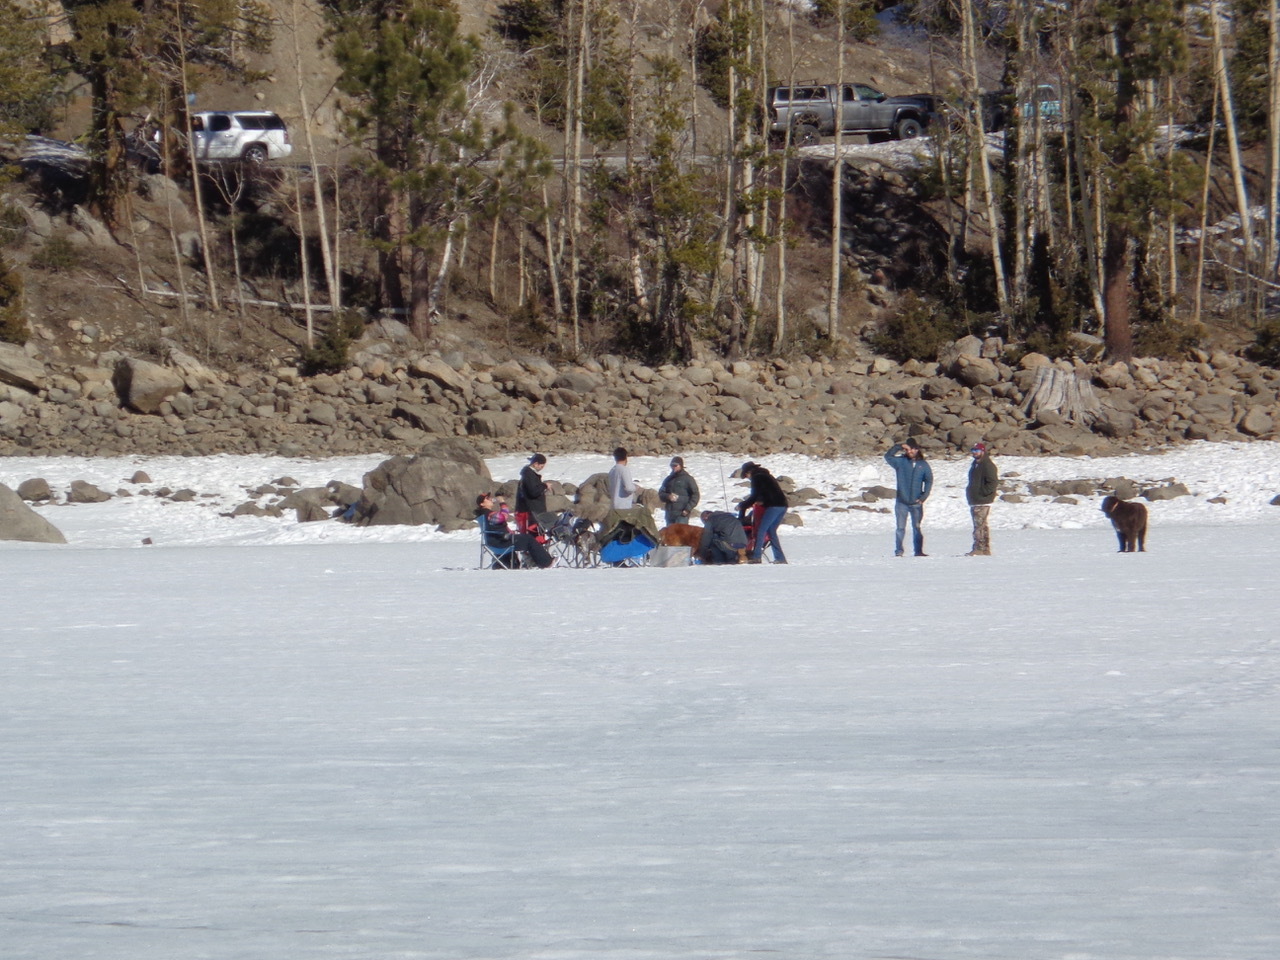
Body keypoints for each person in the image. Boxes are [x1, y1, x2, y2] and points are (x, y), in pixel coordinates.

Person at [476, 493, 553, 568]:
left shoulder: (483, 514)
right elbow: (503, 516)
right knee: (528, 539)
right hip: (501, 542)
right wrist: (502, 503)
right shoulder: (488, 514)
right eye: (487, 499)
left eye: (490, 498)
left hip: (495, 541)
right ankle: (546, 563)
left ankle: (501, 565)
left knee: (523, 539)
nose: (490, 499)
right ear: (482, 504)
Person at [884, 439, 933, 557]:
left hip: (916, 503)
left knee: (916, 527)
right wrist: (898, 446)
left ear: (917, 449)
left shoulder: (923, 465)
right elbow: (887, 456)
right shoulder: (900, 462)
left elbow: (929, 480)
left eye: (911, 449)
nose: (909, 451)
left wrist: (923, 497)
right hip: (902, 502)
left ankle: (918, 551)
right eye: (907, 449)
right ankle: (899, 551)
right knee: (900, 528)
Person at [737, 461, 788, 564]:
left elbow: (754, 495)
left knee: (761, 530)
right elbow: (765, 492)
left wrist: (743, 505)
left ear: (749, 472)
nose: (748, 477)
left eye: (746, 475)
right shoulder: (766, 475)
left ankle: (756, 556)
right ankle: (780, 558)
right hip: (783, 505)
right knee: (771, 531)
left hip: (773, 506)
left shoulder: (757, 477)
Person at [965, 441, 999, 556]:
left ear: (983, 451)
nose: (975, 453)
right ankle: (984, 548)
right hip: (975, 500)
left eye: (977, 450)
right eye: (973, 451)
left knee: (979, 525)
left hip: (982, 500)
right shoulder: (975, 464)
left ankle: (979, 548)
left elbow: (993, 482)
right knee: (981, 525)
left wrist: (983, 493)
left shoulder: (987, 465)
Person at [658, 456, 700, 527]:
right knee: (670, 537)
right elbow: (661, 493)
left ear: (681, 466)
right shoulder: (668, 479)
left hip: (682, 515)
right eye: (672, 465)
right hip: (670, 515)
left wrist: (687, 509)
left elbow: (695, 495)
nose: (673, 467)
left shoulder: (688, 479)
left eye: (675, 465)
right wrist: (668, 496)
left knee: (681, 536)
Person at [515, 453, 549, 535]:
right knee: (534, 535)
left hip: (533, 510)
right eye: (541, 466)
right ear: (535, 464)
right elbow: (533, 492)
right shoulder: (528, 474)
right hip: (531, 512)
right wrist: (544, 485)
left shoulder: (529, 474)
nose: (542, 468)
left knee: (537, 534)